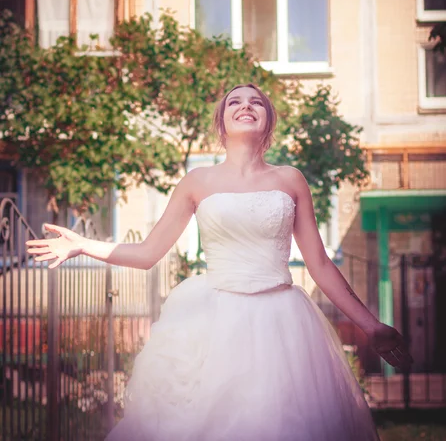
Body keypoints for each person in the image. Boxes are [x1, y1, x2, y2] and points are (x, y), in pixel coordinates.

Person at [27, 83, 412, 441]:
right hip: (212, 321)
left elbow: (320, 264)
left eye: (256, 101)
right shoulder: (197, 182)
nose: (246, 105)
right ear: (221, 124)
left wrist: (370, 326)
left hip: (283, 324)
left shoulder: (291, 180)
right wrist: (83, 246)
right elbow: (147, 254)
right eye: (235, 102)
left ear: (268, 122)